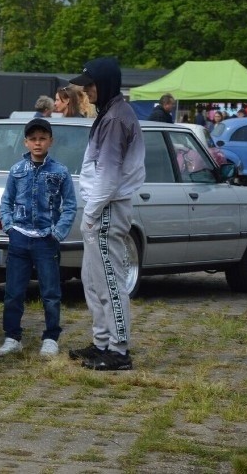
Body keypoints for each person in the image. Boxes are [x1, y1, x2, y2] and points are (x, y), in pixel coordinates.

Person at [68, 57, 145, 371]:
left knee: (110, 282)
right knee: (93, 280)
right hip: (105, 207)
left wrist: (92, 211)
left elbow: (109, 175)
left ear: (106, 83)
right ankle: (102, 342)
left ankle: (118, 350)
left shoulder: (114, 118)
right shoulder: (112, 113)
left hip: (108, 208)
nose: (86, 90)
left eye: (90, 84)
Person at [0, 118, 77, 358]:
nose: (37, 143)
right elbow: (6, 200)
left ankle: (51, 337)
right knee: (13, 292)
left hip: (46, 239)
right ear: (26, 142)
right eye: (33, 139)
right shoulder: (17, 170)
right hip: (19, 237)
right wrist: (9, 226)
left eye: (42, 138)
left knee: (50, 293)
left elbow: (70, 206)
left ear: (50, 141)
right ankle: (12, 337)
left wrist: (58, 232)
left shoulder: (60, 172)